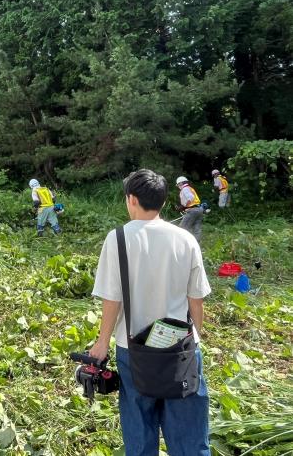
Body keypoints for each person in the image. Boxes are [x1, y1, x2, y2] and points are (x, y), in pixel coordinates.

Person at [89, 169, 211, 456]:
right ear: (165, 202)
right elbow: (196, 300)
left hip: (132, 349)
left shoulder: (117, 238)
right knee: (189, 436)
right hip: (180, 348)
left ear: (131, 199)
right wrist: (198, 335)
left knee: (139, 432)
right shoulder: (185, 239)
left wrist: (102, 341)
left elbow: (112, 299)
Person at [175, 176, 205, 242]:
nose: (178, 187)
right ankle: (196, 245)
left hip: (192, 210)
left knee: (182, 228)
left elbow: (190, 198)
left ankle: (181, 244)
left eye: (178, 185)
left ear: (180, 183)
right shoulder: (190, 188)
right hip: (199, 209)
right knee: (196, 229)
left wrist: (183, 206)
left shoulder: (185, 189)